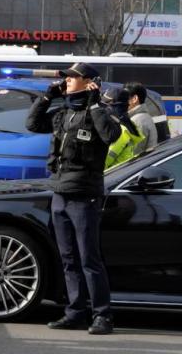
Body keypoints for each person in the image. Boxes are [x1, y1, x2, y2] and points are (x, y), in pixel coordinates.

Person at [25, 63, 121, 335]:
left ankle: (102, 315)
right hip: (60, 194)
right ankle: (75, 312)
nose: (67, 81)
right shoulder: (63, 112)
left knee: (89, 259)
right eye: (66, 78)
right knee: (68, 259)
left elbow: (111, 135)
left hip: (84, 196)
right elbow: (32, 123)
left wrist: (95, 104)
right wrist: (47, 95)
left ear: (90, 81)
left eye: (73, 78)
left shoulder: (100, 110)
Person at [102, 88, 144, 169]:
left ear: (116, 107)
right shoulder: (127, 125)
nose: (103, 108)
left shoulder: (120, 131)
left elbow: (102, 163)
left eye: (106, 104)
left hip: (112, 177)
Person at [125, 82, 157, 155]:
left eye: (124, 98)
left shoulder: (136, 121)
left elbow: (132, 153)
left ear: (135, 99)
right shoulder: (142, 117)